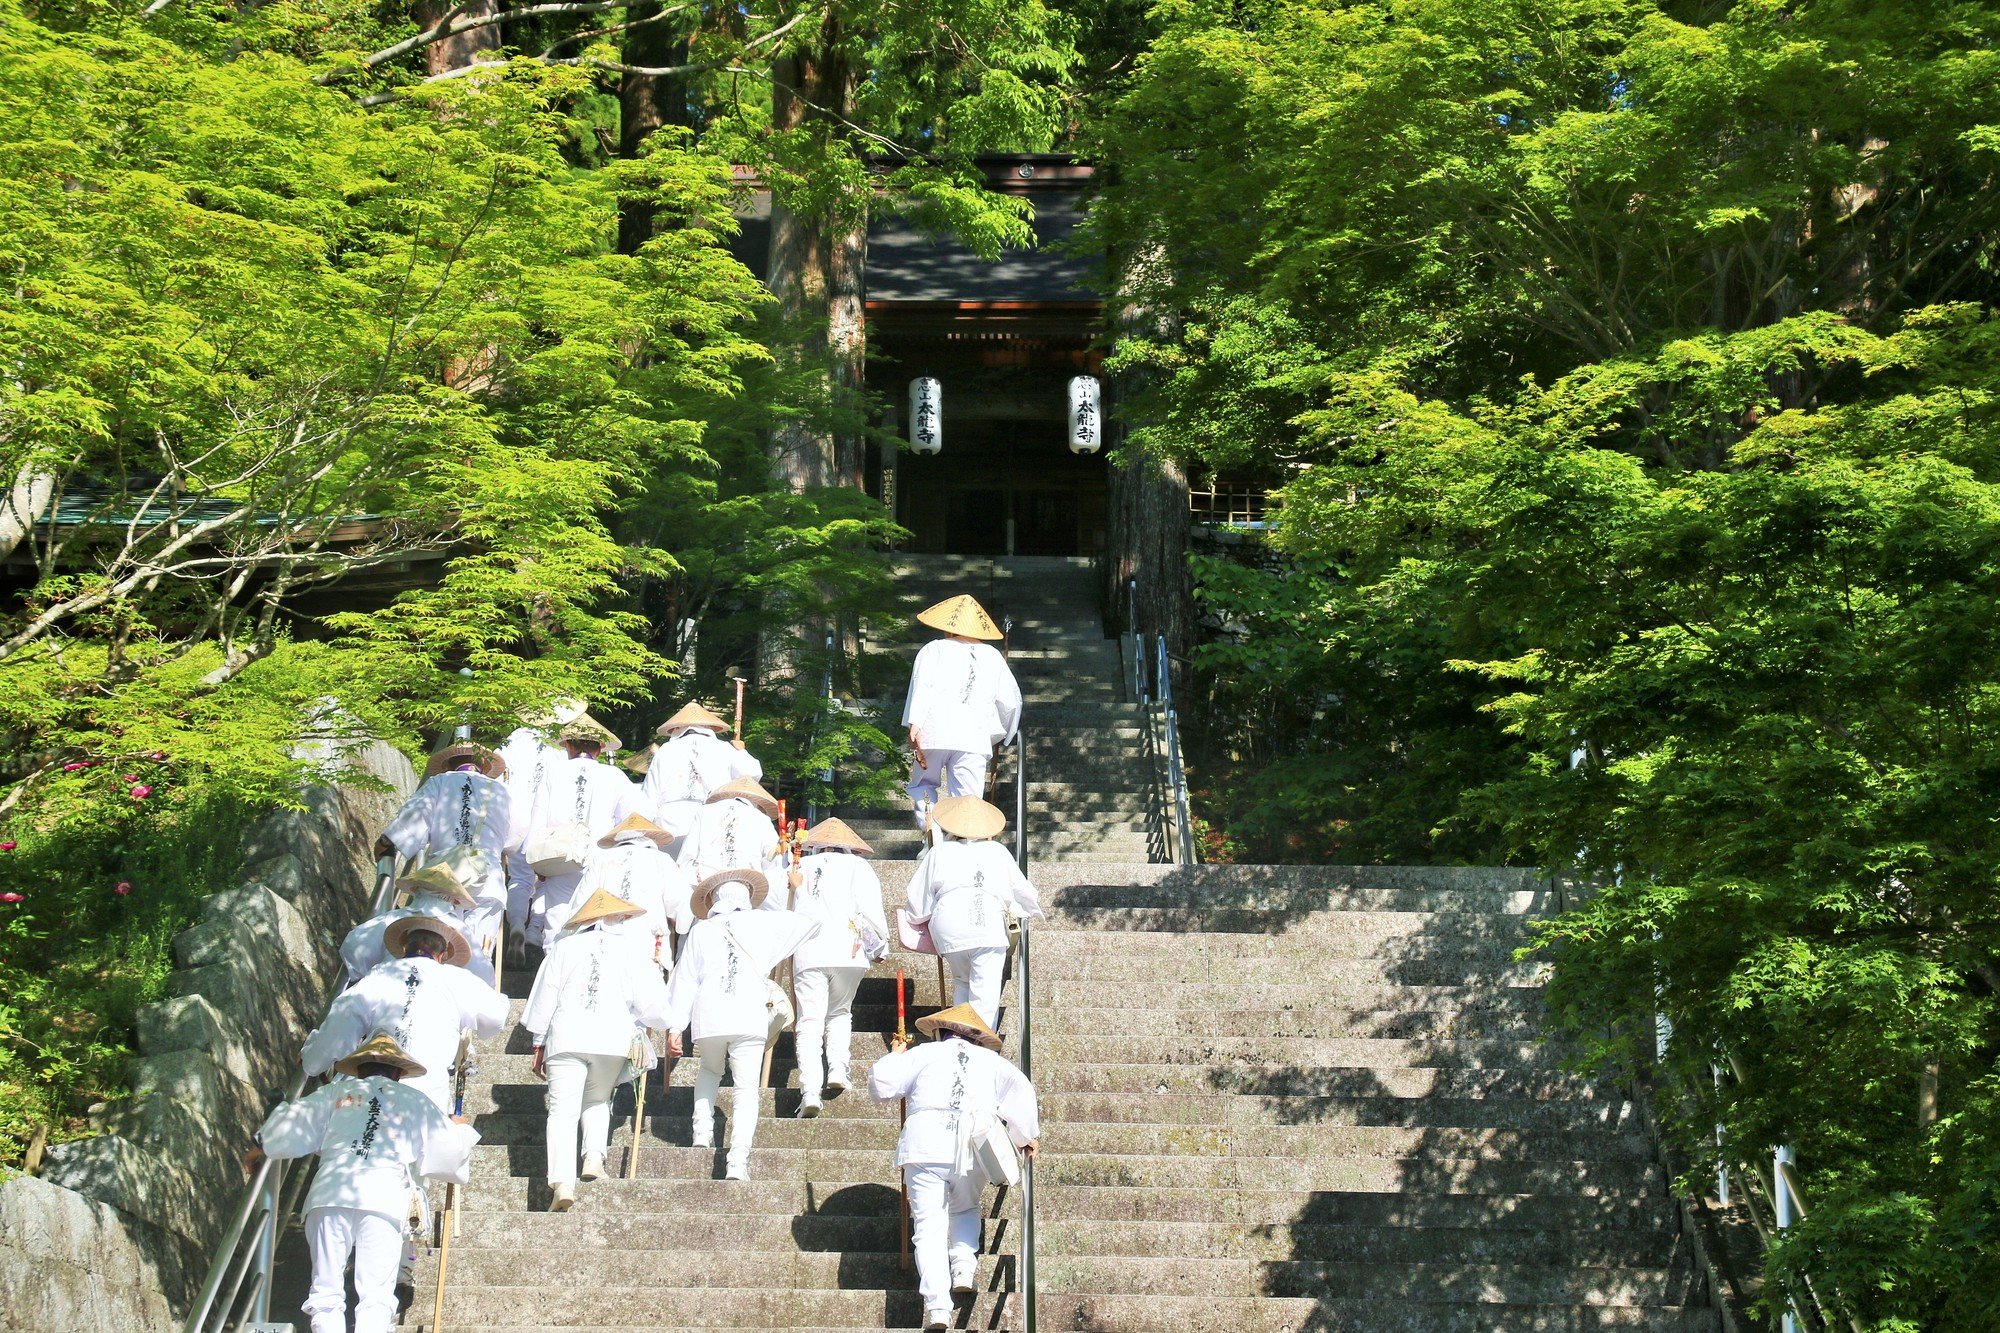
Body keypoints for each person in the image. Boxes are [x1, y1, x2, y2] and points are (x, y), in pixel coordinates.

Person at [250, 1035, 478, 1333]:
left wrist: (261, 1143)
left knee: (325, 1292)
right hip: (384, 1198)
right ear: (399, 1072)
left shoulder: (334, 1093)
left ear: (358, 1069)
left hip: (329, 1194)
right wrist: (461, 1131)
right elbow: (449, 1154)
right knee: (376, 1296)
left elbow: (289, 1126)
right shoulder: (414, 1101)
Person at [868, 1003, 1040, 1332]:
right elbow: (1021, 1090)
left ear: (940, 1032)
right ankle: (963, 1269)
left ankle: (937, 1307)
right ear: (976, 1038)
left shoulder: (923, 1054)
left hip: (924, 1145)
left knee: (928, 1228)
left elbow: (883, 1085)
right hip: (973, 1145)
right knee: (965, 1207)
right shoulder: (992, 1061)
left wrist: (896, 1054)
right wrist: (1025, 1136)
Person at [660, 869, 818, 1180]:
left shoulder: (701, 931)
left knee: (709, 1070)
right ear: (746, 897)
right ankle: (737, 1161)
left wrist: (675, 1027)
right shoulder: (764, 923)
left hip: (709, 1014)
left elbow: (684, 981)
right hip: (749, 1014)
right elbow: (811, 922)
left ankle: (701, 1132)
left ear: (715, 900)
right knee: (746, 1089)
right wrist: (799, 891)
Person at [522, 889, 674, 1211]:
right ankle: (593, 1157)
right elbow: (655, 1009)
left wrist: (538, 1041)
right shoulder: (633, 951)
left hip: (566, 1037)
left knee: (562, 1111)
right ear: (619, 919)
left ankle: (563, 1181)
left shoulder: (564, 947)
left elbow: (545, 997)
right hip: (611, 1038)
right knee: (598, 1098)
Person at [303, 915, 508, 1112]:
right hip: (428, 1095)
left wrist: (313, 1059)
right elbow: (496, 1016)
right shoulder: (458, 979)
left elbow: (342, 1018)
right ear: (444, 954)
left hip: (371, 1086)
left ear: (404, 947)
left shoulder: (381, 974)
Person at [902, 796, 1041, 1029]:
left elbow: (918, 902)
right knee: (985, 993)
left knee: (962, 982)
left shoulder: (939, 851)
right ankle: (978, 1044)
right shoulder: (997, 851)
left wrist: (919, 918)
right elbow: (1023, 891)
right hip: (987, 925)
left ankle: (958, 1039)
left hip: (949, 925)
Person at [784, 818, 888, 1117]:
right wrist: (879, 948)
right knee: (840, 1012)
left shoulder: (799, 866)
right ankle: (839, 1069)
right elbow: (870, 910)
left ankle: (810, 1090)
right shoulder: (860, 867)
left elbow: (785, 909)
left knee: (809, 1021)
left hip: (809, 951)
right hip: (849, 950)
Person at [901, 595, 1022, 831]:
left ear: (948, 627)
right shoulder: (993, 656)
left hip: (933, 731)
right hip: (974, 737)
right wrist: (1000, 733)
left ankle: (933, 836)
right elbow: (1010, 702)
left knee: (923, 785)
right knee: (968, 799)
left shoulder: (933, 649)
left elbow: (922, 685)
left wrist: (915, 723)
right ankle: (964, 841)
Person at [528, 715, 639, 946]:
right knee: (594, 915)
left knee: (557, 916)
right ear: (599, 749)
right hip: (600, 855)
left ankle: (554, 956)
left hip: (559, 855)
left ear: (568, 745)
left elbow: (538, 819)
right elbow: (630, 821)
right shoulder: (614, 775)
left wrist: (536, 861)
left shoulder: (553, 773)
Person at [373, 742, 517, 907]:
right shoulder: (504, 791)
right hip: (488, 881)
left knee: (435, 923)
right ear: (483, 766)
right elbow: (515, 838)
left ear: (447, 765)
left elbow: (415, 817)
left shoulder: (440, 781)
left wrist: (387, 841)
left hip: (443, 879)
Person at [543, 812, 691, 967]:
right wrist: (680, 928)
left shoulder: (601, 859)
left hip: (605, 939)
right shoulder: (661, 860)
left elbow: (580, 905)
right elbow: (682, 907)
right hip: (646, 941)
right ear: (650, 837)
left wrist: (561, 943)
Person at [340, 855, 498, 987]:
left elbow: (353, 950)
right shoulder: (461, 932)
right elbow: (485, 980)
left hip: (386, 994)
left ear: (416, 889)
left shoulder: (392, 919)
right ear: (455, 900)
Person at [640, 701, 763, 855]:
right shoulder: (723, 748)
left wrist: (644, 831)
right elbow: (752, 774)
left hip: (671, 823)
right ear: (709, 727)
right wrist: (741, 752)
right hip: (712, 821)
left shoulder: (666, 750)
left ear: (677, 728)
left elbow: (649, 795)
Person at [675, 776, 785, 889]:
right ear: (759, 804)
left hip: (705, 883)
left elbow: (686, 856)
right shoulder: (761, 819)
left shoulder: (705, 811)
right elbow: (773, 861)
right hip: (746, 885)